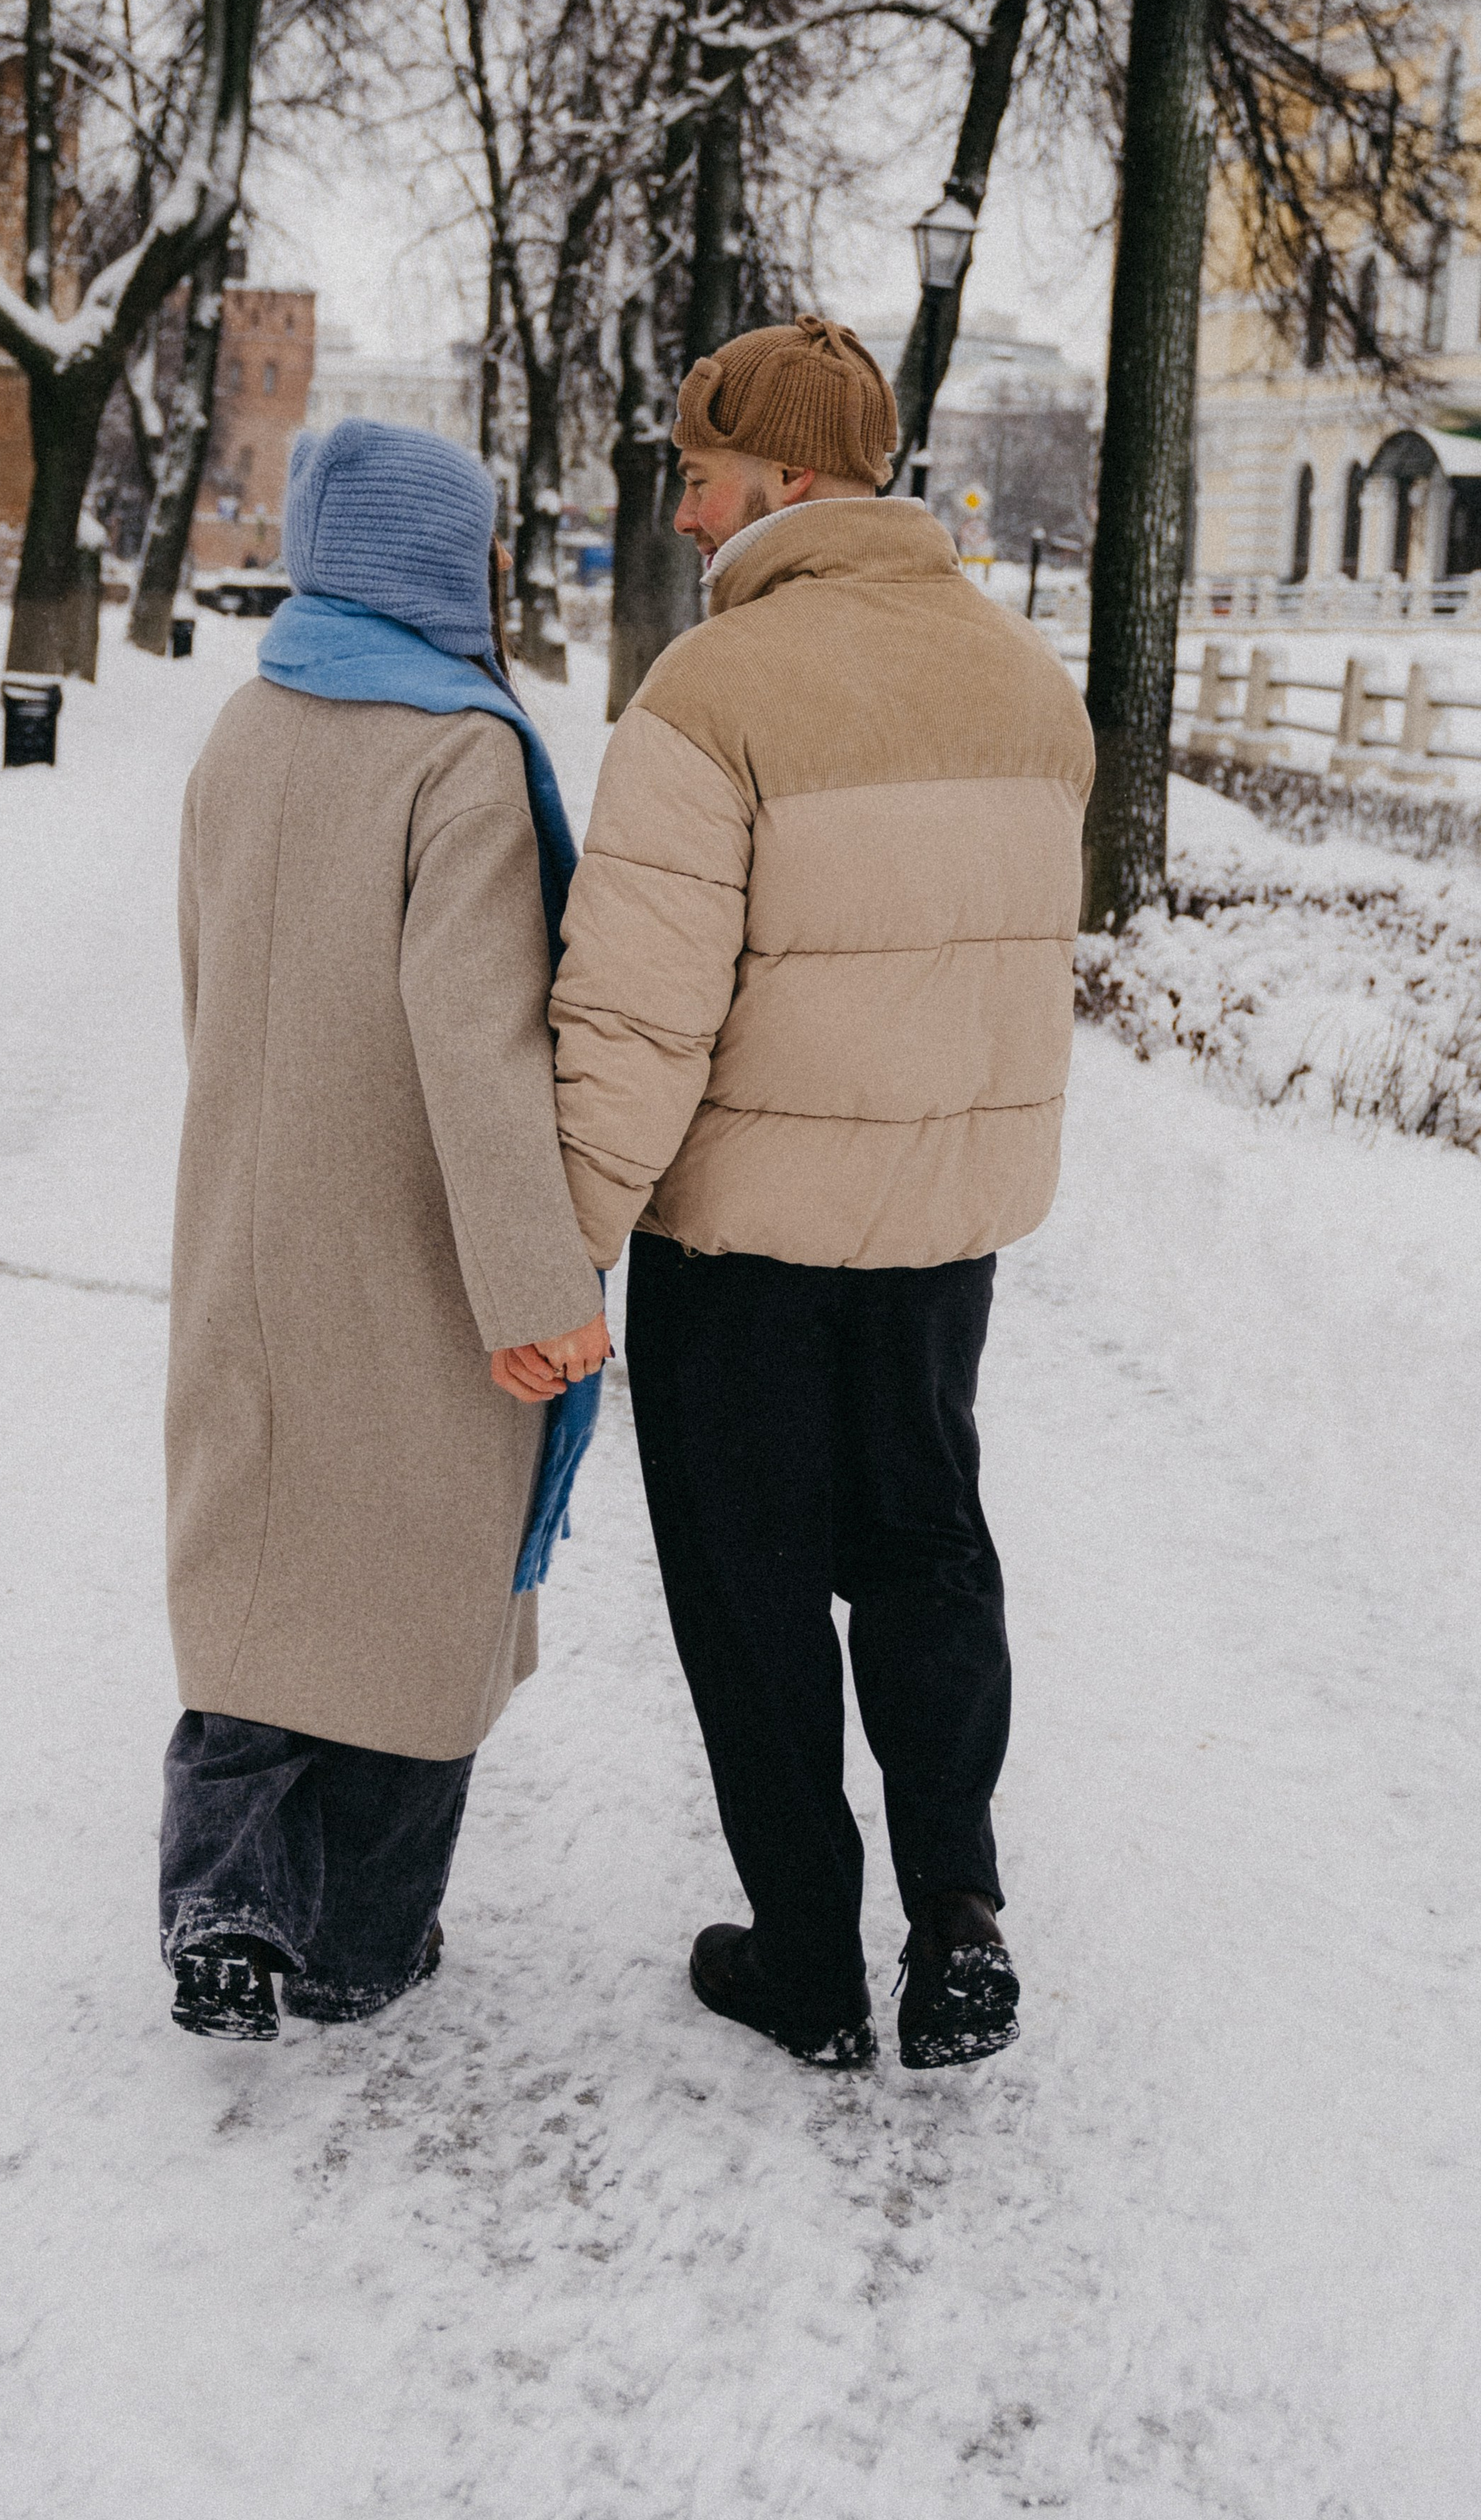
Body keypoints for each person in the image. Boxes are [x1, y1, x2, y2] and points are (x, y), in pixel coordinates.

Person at [551, 314, 1094, 2072]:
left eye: (700, 479)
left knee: (750, 1583)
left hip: (741, 1244)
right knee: (927, 1545)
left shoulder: (708, 696)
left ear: (786, 476)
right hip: (939, 1231)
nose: (690, 518)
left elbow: (634, 1016)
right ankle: (959, 1919)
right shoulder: (1025, 680)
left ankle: (808, 1957)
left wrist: (553, 1252)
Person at [161, 417, 609, 2043]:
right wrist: (537, 1288)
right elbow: (478, 1048)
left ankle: (221, 1908)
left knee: (255, 1565)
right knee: (418, 1598)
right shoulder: (459, 756)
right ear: (449, 560)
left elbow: (205, 986)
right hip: (417, 1245)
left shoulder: (247, 724)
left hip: (248, 1218)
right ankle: (356, 1941)